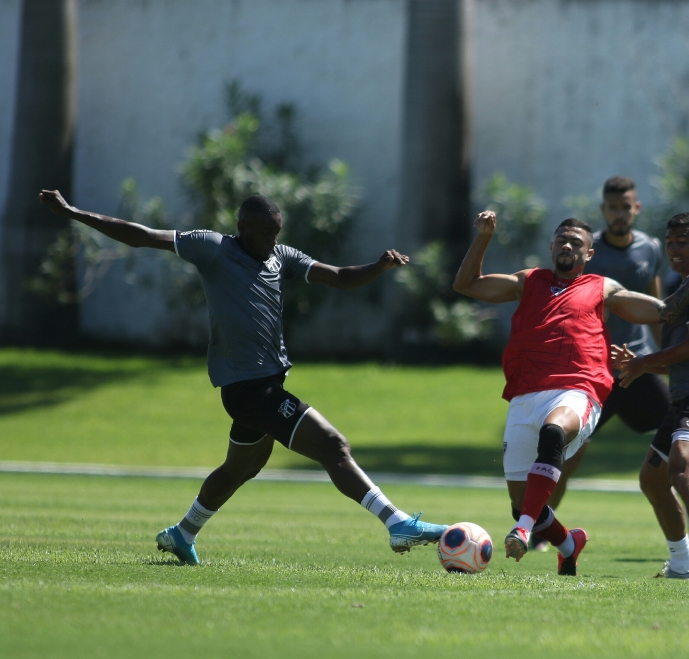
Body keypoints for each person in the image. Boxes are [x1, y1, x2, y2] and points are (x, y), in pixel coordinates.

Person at [38, 190, 448, 565]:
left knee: (240, 470)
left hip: (265, 386)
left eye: (277, 233)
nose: (272, 240)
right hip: (250, 390)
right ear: (242, 229)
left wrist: (379, 265)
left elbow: (339, 277)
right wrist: (73, 212)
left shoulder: (280, 256)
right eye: (265, 233)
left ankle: (182, 533)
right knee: (333, 445)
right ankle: (397, 524)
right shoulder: (213, 248)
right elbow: (142, 235)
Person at [453, 209, 689, 576]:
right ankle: (568, 543)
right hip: (524, 394)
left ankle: (522, 530)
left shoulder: (604, 288)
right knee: (522, 504)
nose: (568, 245)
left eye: (577, 243)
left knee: (553, 436)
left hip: (577, 388)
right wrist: (484, 236)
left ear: (589, 254)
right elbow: (466, 285)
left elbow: (666, 312)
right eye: (562, 240)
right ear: (551, 246)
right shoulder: (527, 280)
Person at [613, 212, 689, 581]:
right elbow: (678, 362)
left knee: (683, 471)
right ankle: (682, 562)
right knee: (652, 479)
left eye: (683, 241)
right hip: (685, 397)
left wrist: (645, 361)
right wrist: (642, 364)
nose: (674, 249)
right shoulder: (681, 290)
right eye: (670, 242)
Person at [543, 176, 671, 522]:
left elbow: (655, 307)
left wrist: (665, 361)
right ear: (603, 209)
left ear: (636, 208)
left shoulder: (651, 249)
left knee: (683, 437)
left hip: (637, 368)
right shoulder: (586, 250)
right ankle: (542, 527)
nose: (619, 214)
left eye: (625, 207)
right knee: (568, 457)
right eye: (613, 208)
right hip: (594, 374)